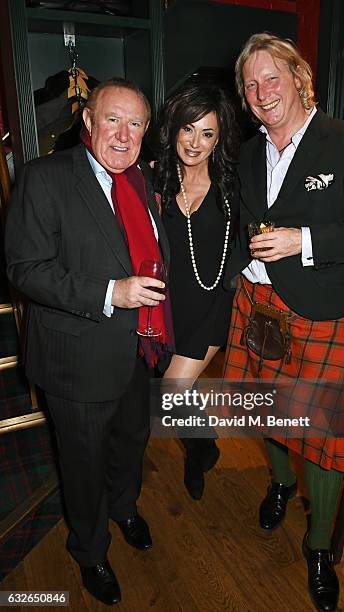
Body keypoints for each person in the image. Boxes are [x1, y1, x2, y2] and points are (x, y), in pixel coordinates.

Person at [223, 33, 344, 612]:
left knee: (323, 437)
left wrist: (305, 241)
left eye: (272, 78)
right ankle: (280, 481)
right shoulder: (248, 152)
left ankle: (320, 545)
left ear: (299, 79)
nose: (261, 92)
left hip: (321, 311)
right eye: (251, 84)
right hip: (256, 303)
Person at [5, 78, 173, 606]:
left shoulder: (144, 182)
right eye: (112, 121)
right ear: (88, 123)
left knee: (131, 443)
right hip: (76, 355)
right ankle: (90, 550)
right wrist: (110, 292)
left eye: (135, 124)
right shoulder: (44, 178)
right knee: (82, 463)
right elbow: (25, 269)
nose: (123, 136)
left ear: (146, 131)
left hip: (139, 348)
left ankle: (124, 508)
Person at [154, 81, 240, 500]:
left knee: (169, 392)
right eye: (188, 129)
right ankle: (202, 445)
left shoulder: (234, 188)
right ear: (172, 129)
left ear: (219, 137)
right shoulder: (154, 179)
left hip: (213, 306)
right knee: (172, 391)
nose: (195, 142)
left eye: (207, 133)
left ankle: (198, 447)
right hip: (165, 309)